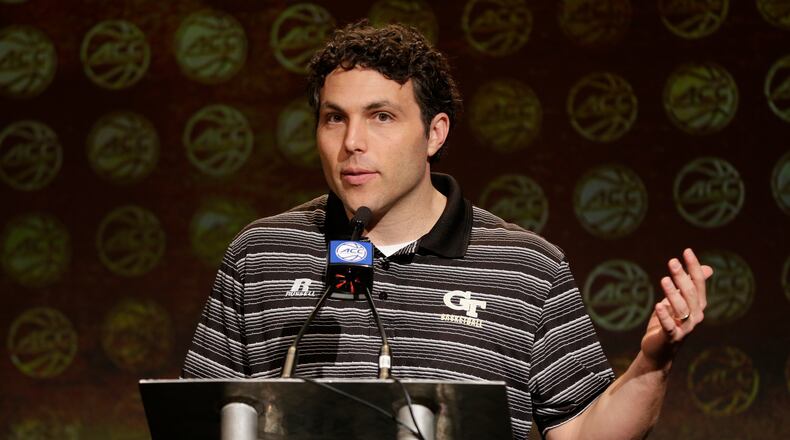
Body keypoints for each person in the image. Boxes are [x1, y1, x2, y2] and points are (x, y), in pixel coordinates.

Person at [182, 21, 712, 439]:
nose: (352, 142)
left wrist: (653, 363)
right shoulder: (262, 253)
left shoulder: (526, 267)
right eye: (334, 118)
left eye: (381, 116)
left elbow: (580, 432)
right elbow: (200, 420)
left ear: (435, 133)